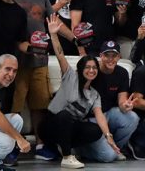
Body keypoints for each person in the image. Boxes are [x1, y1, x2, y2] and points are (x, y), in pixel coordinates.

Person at [42, 14, 120, 168]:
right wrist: (53, 34)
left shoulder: (94, 95)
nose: (91, 70)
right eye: (87, 67)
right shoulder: (71, 77)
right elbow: (60, 55)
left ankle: (67, 147)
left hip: (70, 128)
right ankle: (66, 157)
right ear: (80, 69)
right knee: (65, 115)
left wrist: (108, 136)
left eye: (94, 68)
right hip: (51, 125)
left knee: (95, 130)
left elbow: (99, 116)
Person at [9, 0, 59, 161]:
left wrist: (75, 39)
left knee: (40, 104)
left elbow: (52, 20)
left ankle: (40, 144)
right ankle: (11, 145)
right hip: (15, 62)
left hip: (40, 60)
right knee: (14, 106)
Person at [77, 41, 139, 163]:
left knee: (132, 117)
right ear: (100, 56)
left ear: (119, 57)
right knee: (108, 156)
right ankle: (79, 148)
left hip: (108, 113)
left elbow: (122, 100)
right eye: (107, 55)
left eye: (114, 55)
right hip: (91, 118)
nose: (110, 59)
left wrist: (125, 105)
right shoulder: (92, 71)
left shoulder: (122, 72)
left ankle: (116, 148)